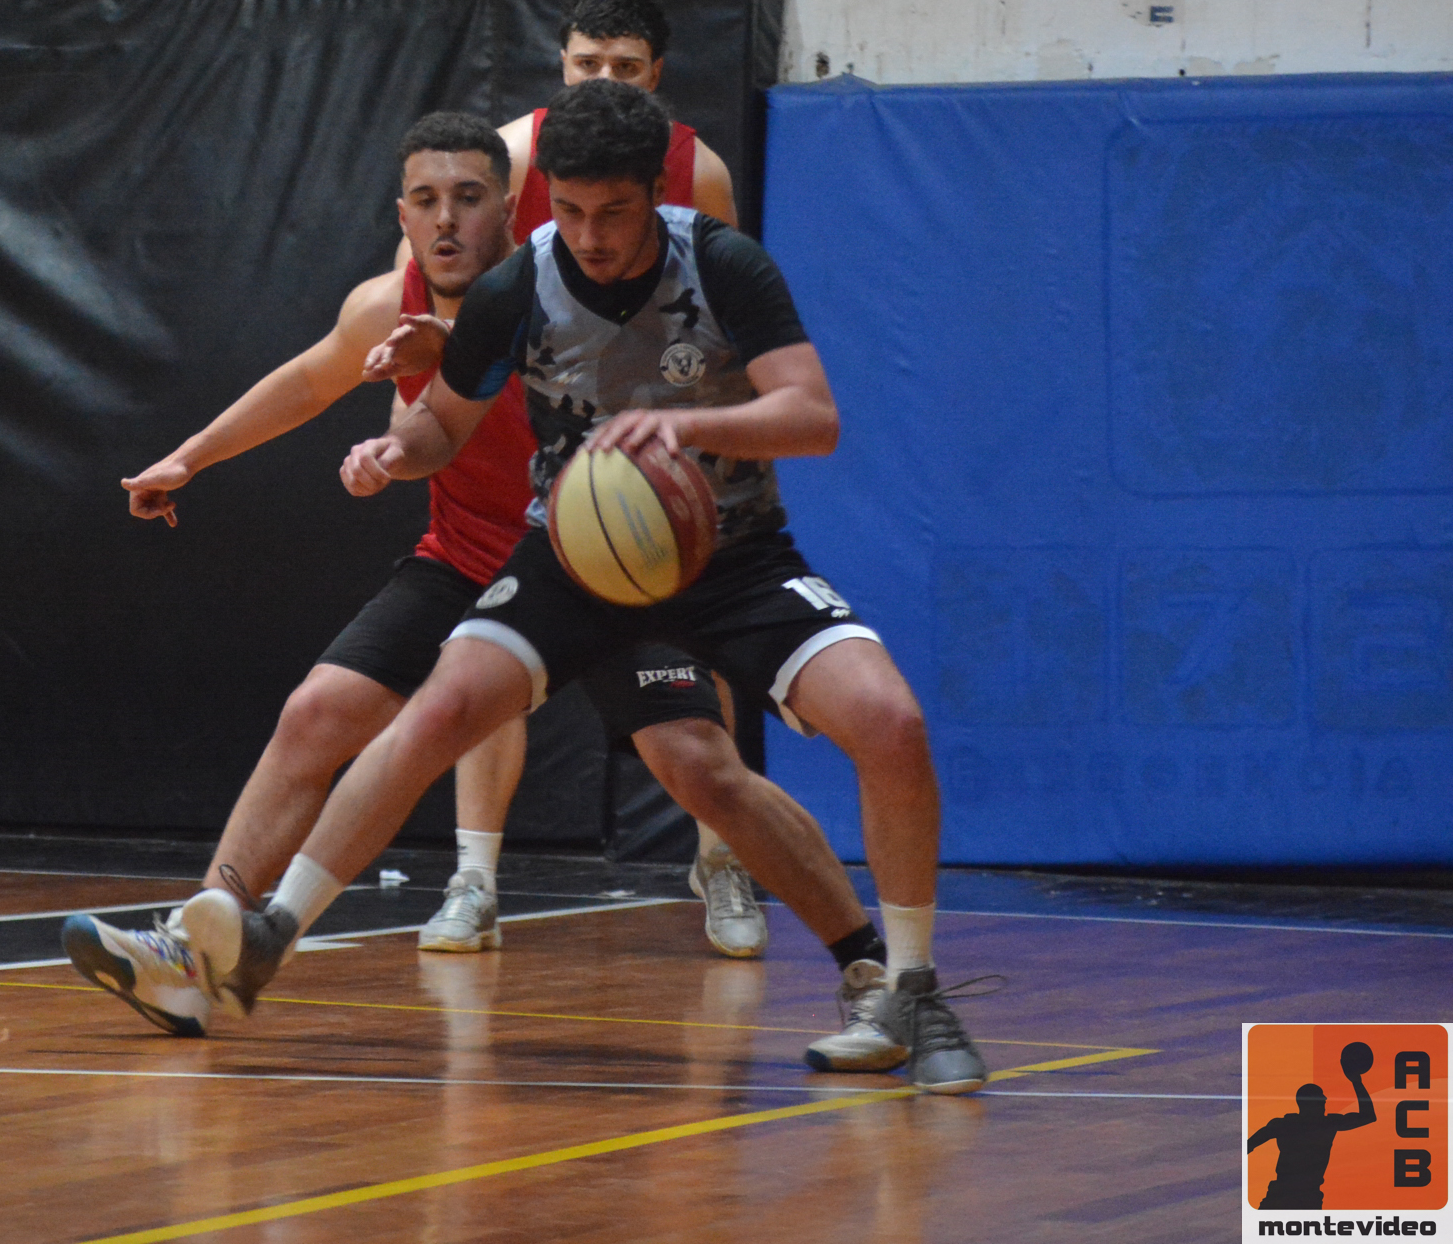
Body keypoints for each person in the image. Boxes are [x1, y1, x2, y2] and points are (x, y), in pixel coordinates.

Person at [182, 79, 989, 1094]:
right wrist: (395, 452)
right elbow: (442, 428)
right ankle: (270, 935)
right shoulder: (516, 286)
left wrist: (686, 425)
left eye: (612, 212)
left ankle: (909, 988)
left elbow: (813, 417)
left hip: (733, 552)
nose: (590, 236)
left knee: (889, 723)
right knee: (440, 707)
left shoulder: (723, 264)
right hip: (573, 557)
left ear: (654, 193)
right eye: (567, 210)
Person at [64, 111, 874, 1039]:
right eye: (424, 199)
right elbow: (310, 382)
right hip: (468, 558)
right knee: (317, 713)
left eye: (468, 197)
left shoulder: (558, 290)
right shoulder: (387, 305)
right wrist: (192, 457)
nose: (446, 219)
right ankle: (197, 949)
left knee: (699, 764)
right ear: (400, 215)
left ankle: (850, 948)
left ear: (513, 204)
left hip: (597, 567)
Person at [373, 0, 758, 956]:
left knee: (698, 657)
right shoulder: (509, 156)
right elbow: (434, 272)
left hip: (646, 438)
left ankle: (721, 861)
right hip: (522, 426)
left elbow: (722, 321)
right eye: (588, 64)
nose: (605, 80)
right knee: (486, 659)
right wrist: (421, 387)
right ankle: (473, 877)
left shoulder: (699, 172)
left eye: (625, 67)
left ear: (656, 76)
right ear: (562, 65)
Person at [1248, 1058, 1376, 1209]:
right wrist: (1356, 1082)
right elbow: (1368, 1116)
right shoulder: (1325, 1124)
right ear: (1310, 1102)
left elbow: (1249, 1144)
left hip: (1290, 1196)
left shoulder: (1284, 1124)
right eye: (1320, 1097)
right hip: (1297, 1197)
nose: (1325, 1099)